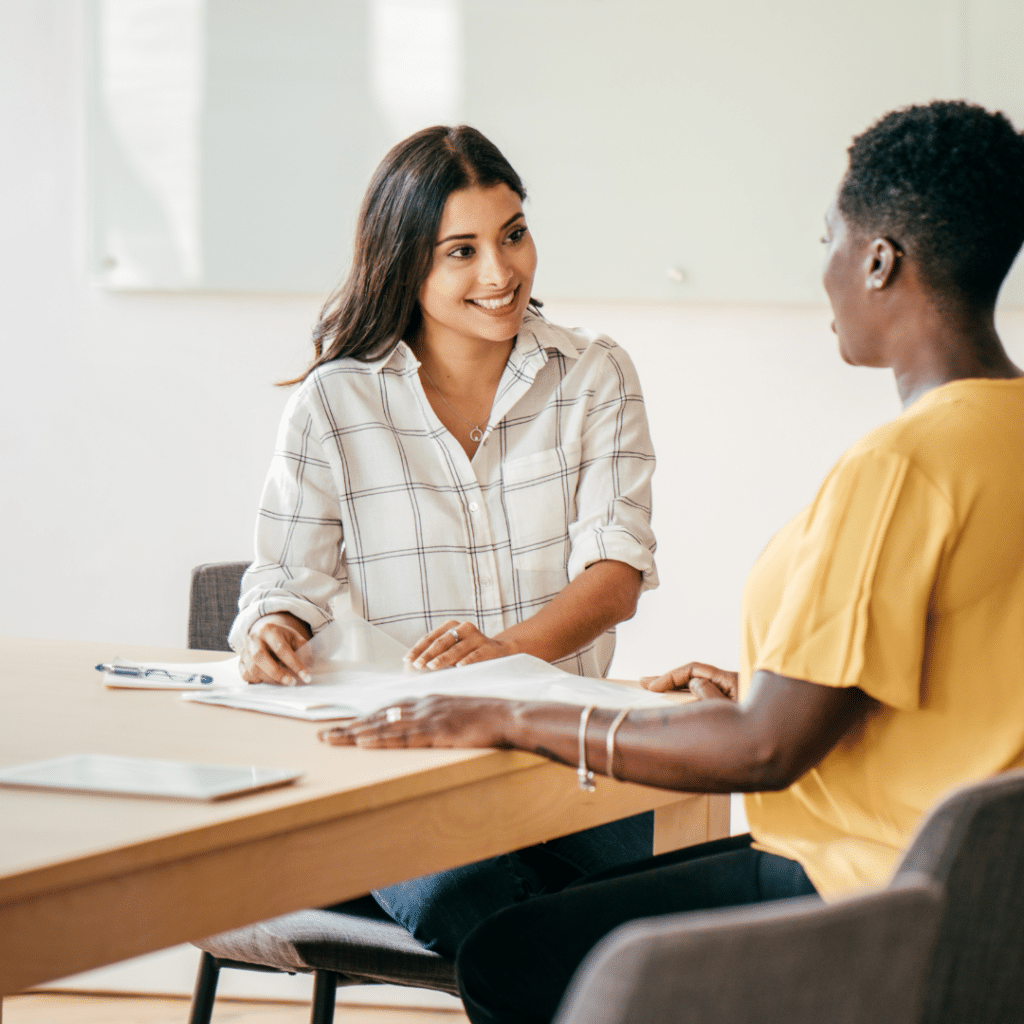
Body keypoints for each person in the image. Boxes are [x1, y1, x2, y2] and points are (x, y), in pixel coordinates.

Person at [321, 99, 1024, 1023]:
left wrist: (509, 712)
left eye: (830, 241)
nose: (825, 271)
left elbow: (766, 752)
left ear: (880, 260)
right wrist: (765, 688)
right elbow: (972, 681)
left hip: (857, 889)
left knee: (510, 956)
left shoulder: (898, 470)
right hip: (978, 898)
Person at [229, 125, 659, 957]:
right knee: (492, 913)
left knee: (677, 896)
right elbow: (282, 580)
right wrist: (272, 629)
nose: (500, 273)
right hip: (401, 781)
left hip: (567, 767)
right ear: (404, 263)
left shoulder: (594, 374)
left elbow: (615, 574)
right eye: (460, 250)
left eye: (513, 235)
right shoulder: (333, 403)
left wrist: (498, 659)